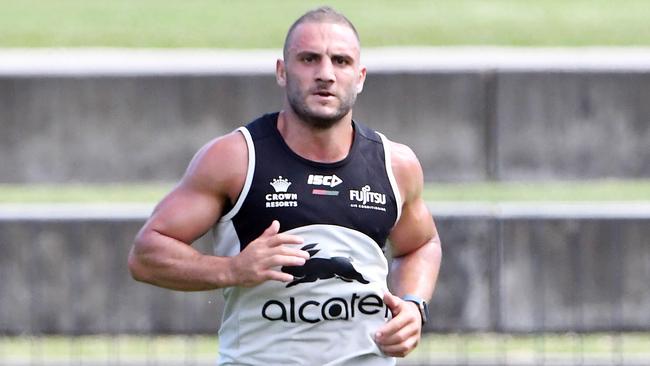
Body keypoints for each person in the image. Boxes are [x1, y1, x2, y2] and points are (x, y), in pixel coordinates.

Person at [128, 6, 441, 365]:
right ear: (282, 71)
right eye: (309, 59)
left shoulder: (394, 165)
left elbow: (421, 244)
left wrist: (414, 306)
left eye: (340, 61)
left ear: (360, 76)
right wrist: (231, 270)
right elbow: (146, 255)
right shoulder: (236, 159)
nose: (325, 74)